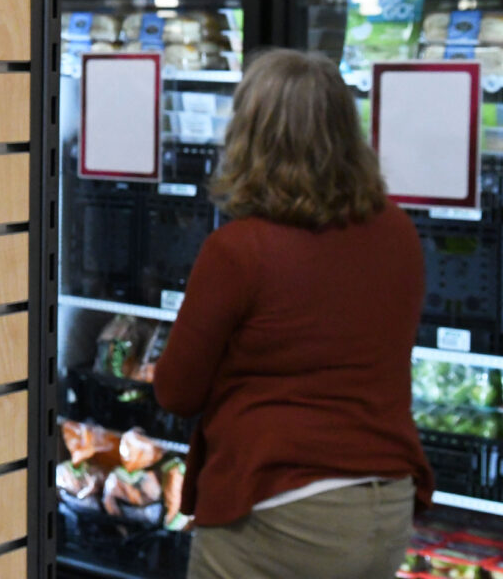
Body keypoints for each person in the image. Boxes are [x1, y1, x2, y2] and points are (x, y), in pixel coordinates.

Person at [152, 48, 434, 579]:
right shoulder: (398, 231)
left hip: (279, 508)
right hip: (386, 505)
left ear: (249, 137)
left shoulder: (239, 250)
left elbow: (177, 391)